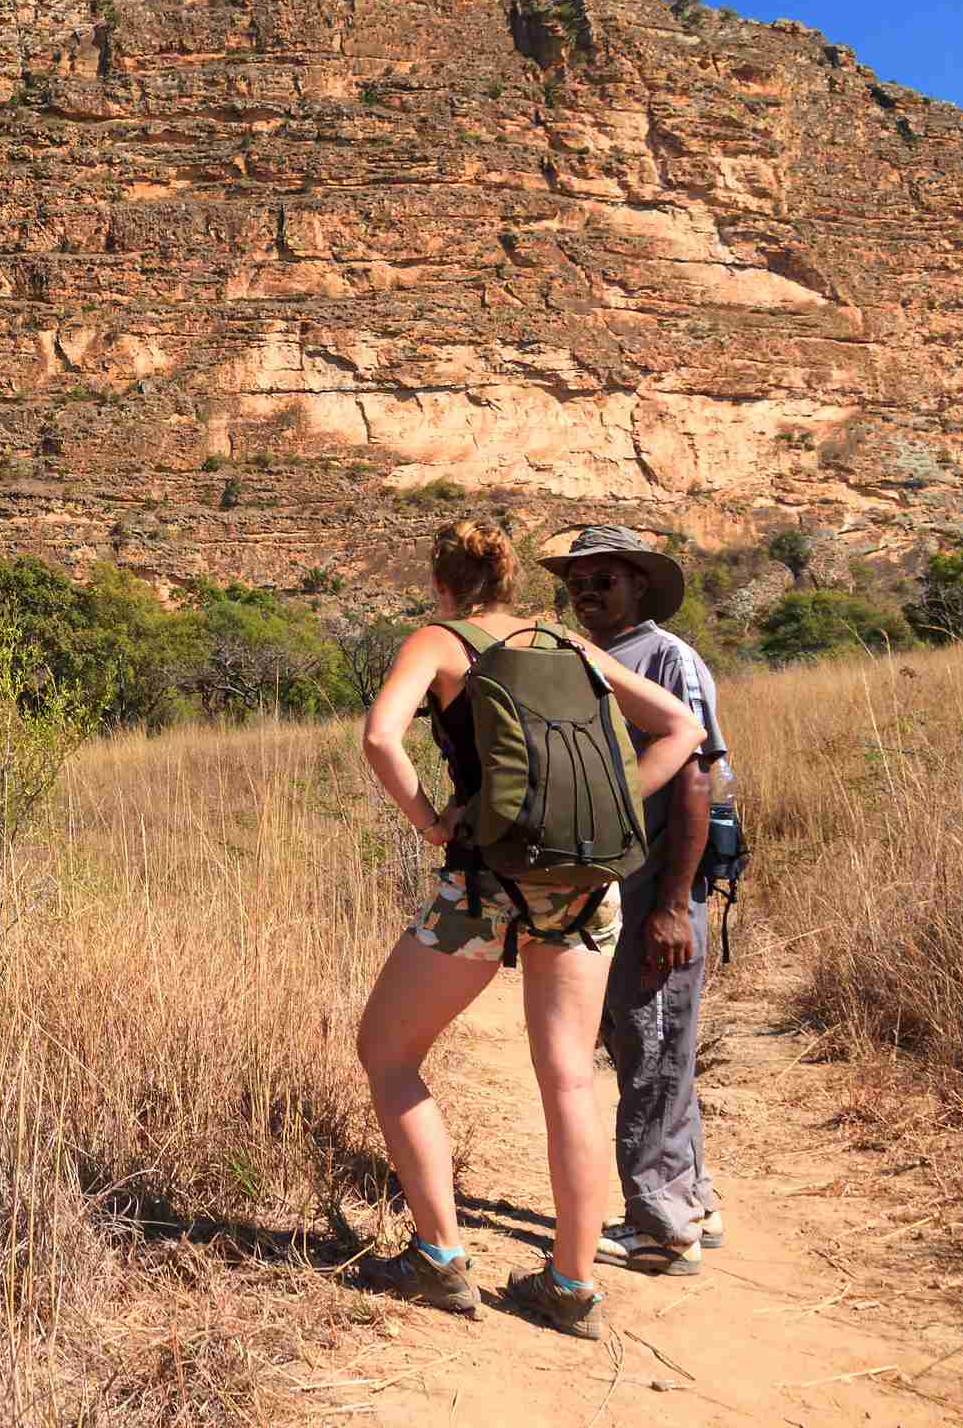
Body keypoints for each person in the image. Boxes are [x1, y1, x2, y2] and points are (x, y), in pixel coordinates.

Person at [354, 522, 705, 1340]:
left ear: (443, 583)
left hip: (486, 884)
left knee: (388, 1052)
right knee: (570, 1078)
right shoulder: (570, 645)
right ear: (512, 583)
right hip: (587, 886)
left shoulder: (439, 641)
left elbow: (380, 735)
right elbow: (681, 731)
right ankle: (571, 1287)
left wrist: (431, 822)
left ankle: (440, 1260)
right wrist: (623, 811)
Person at [541, 524, 730, 1277]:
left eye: (604, 580)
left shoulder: (663, 659)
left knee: (650, 1049)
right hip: (622, 894)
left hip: (659, 893)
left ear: (640, 586)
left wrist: (670, 905)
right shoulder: (600, 661)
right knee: (650, 1047)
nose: (586, 593)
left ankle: (658, 1226)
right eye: (577, 583)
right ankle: (693, 1199)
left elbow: (693, 780)